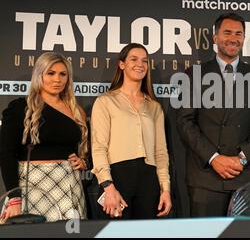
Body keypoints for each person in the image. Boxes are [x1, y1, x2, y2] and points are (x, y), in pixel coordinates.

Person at [176, 13, 250, 217]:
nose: (233, 38)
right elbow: (185, 123)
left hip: (246, 177)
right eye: (227, 32)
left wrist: (242, 157)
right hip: (205, 178)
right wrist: (214, 158)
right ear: (215, 38)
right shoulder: (193, 74)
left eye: (238, 33)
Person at [0, 52, 88, 222]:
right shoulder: (20, 108)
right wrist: (14, 197)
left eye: (63, 74)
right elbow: (6, 153)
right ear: (39, 75)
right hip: (32, 186)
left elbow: (86, 149)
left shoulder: (76, 110)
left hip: (69, 186)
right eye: (50, 73)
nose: (57, 79)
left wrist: (84, 161)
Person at [91, 43, 171, 219]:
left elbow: (161, 153)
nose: (140, 64)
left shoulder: (154, 107)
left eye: (144, 60)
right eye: (133, 59)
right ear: (122, 64)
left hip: (149, 180)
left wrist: (165, 189)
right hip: (117, 178)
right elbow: (98, 147)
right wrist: (108, 186)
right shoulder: (106, 101)